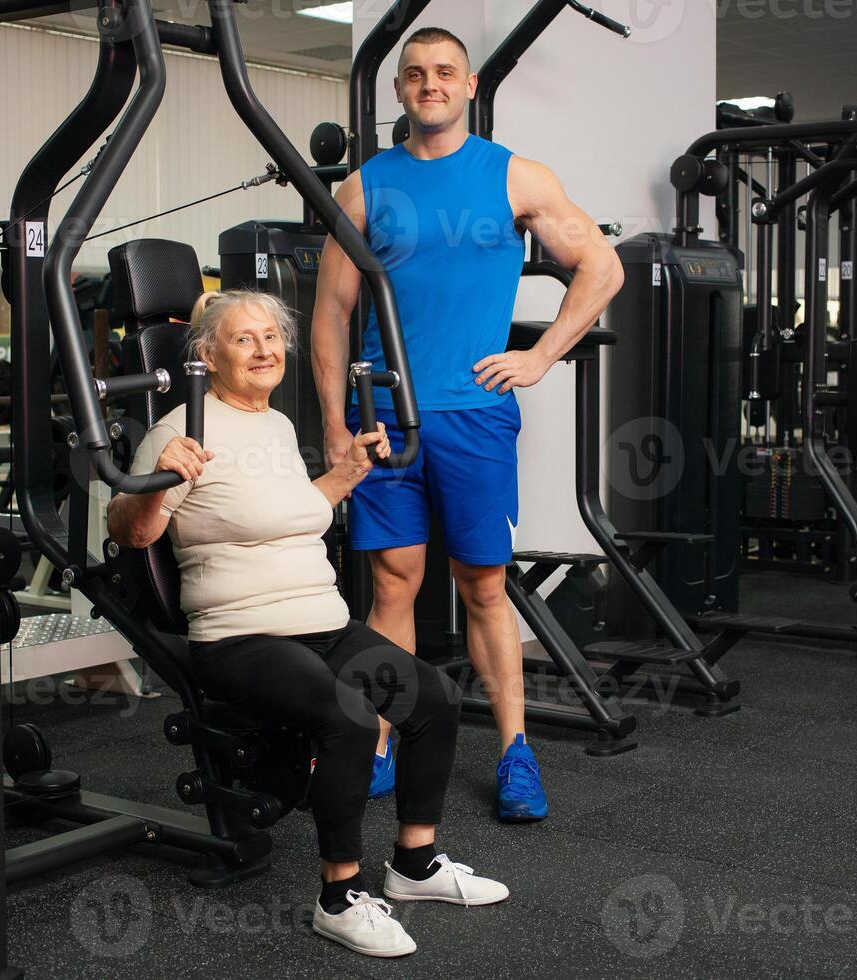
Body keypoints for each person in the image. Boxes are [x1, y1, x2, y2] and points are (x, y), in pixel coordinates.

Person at [107, 290, 508, 958]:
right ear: (207, 355)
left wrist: (346, 474)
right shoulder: (185, 428)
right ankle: (339, 897)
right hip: (240, 634)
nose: (265, 350)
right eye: (244, 340)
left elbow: (292, 512)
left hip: (322, 622)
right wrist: (156, 482)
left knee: (433, 697)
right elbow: (129, 529)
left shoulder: (276, 426)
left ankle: (413, 866)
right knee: (347, 716)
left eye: (272, 337)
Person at [311, 26, 625, 822]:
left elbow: (602, 267)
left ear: (470, 84)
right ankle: (385, 738)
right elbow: (330, 315)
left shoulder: (515, 177)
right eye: (415, 74)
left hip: (476, 417)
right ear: (400, 90)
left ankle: (516, 752)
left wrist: (542, 356)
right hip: (384, 417)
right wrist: (333, 426)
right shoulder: (364, 188)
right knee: (391, 583)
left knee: (483, 584)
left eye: (444, 72)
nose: (430, 84)